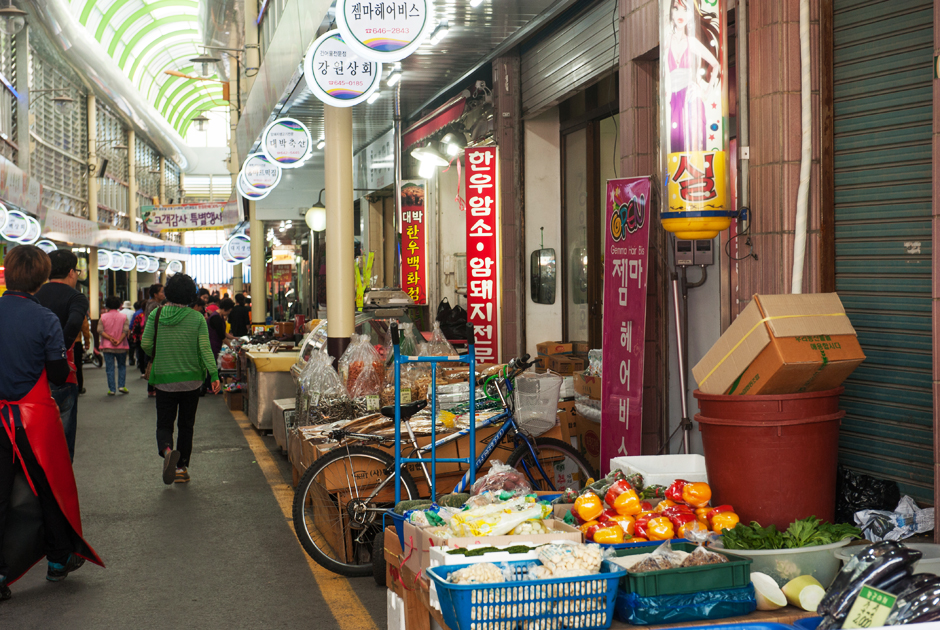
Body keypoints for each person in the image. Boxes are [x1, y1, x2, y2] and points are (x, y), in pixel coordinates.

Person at [0, 245, 103, 600]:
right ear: (41, 278)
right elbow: (58, 373)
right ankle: (58, 560)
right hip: (34, 418)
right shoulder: (45, 319)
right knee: (49, 488)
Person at [141, 274, 220, 485]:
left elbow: (146, 344)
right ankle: (181, 468)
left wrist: (162, 353)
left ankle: (168, 450)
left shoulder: (156, 314)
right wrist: (214, 374)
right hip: (192, 380)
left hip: (164, 379)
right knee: (186, 425)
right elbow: (205, 349)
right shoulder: (197, 318)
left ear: (168, 292)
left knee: (164, 424)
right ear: (191, 294)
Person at [34, 250, 88, 461]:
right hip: (63, 374)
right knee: (63, 441)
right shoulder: (76, 297)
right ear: (71, 272)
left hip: (34, 374)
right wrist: (59, 352)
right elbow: (74, 322)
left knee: (38, 438)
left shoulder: (35, 294)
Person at [98, 296, 130, 396]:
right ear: (119, 305)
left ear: (107, 305)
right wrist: (119, 340)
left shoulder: (103, 317)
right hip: (122, 346)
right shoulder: (124, 317)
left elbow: (100, 330)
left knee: (110, 368)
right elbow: (125, 330)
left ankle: (112, 389)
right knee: (122, 366)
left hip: (107, 346)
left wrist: (111, 339)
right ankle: (121, 386)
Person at [141, 284, 165, 398]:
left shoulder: (149, 303)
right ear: (155, 294)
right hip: (155, 336)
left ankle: (151, 388)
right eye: (161, 292)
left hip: (151, 335)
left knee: (152, 361)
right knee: (155, 362)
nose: (163, 294)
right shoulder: (155, 306)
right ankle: (153, 387)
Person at [120, 300, 136, 366]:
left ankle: (123, 360)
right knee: (131, 347)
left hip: (122, 332)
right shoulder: (133, 312)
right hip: (131, 331)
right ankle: (131, 359)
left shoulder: (120, 312)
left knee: (123, 346)